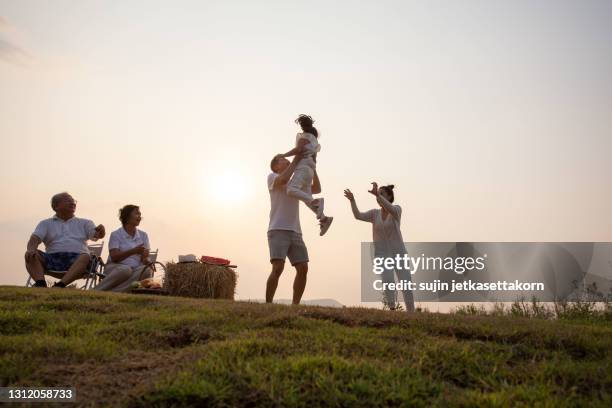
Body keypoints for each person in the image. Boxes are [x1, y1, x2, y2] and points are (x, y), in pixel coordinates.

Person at [344, 183, 415, 312]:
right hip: (382, 255)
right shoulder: (374, 214)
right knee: (388, 281)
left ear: (389, 196)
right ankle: (392, 309)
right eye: (378, 194)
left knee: (406, 284)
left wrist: (378, 195)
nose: (378, 197)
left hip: (399, 254)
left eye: (382, 194)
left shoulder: (397, 210)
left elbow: (390, 209)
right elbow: (358, 216)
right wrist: (352, 200)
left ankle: (412, 313)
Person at [267, 152, 321, 304]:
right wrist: (297, 159)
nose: (287, 160)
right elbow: (283, 179)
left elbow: (316, 189)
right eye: (283, 159)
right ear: (275, 166)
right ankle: (268, 304)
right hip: (277, 228)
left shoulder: (295, 183)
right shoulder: (272, 177)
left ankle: (295, 306)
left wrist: (312, 166)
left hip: (296, 230)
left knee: (303, 268)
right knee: (278, 268)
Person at [25, 192, 105, 288]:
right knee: (30, 254)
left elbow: (96, 235)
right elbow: (34, 239)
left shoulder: (85, 223)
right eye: (68, 200)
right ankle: (40, 284)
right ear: (56, 206)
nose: (72, 203)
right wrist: (31, 249)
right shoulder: (45, 223)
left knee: (86, 256)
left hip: (78, 260)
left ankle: (60, 285)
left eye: (73, 200)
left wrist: (101, 232)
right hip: (52, 260)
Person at [275, 114, 333, 236]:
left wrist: (283, 155)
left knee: (291, 190)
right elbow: (314, 160)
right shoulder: (314, 141)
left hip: (302, 168)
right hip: (310, 171)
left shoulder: (304, 137)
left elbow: (298, 150)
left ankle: (317, 202)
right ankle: (324, 219)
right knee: (307, 199)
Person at [94, 205, 153, 292]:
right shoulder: (116, 234)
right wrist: (133, 251)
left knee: (147, 270)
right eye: (137, 214)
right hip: (116, 267)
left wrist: (147, 261)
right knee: (125, 270)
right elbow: (115, 257)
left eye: (140, 214)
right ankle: (97, 290)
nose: (140, 217)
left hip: (135, 269)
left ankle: (114, 292)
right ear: (127, 216)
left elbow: (144, 258)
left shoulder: (143, 235)